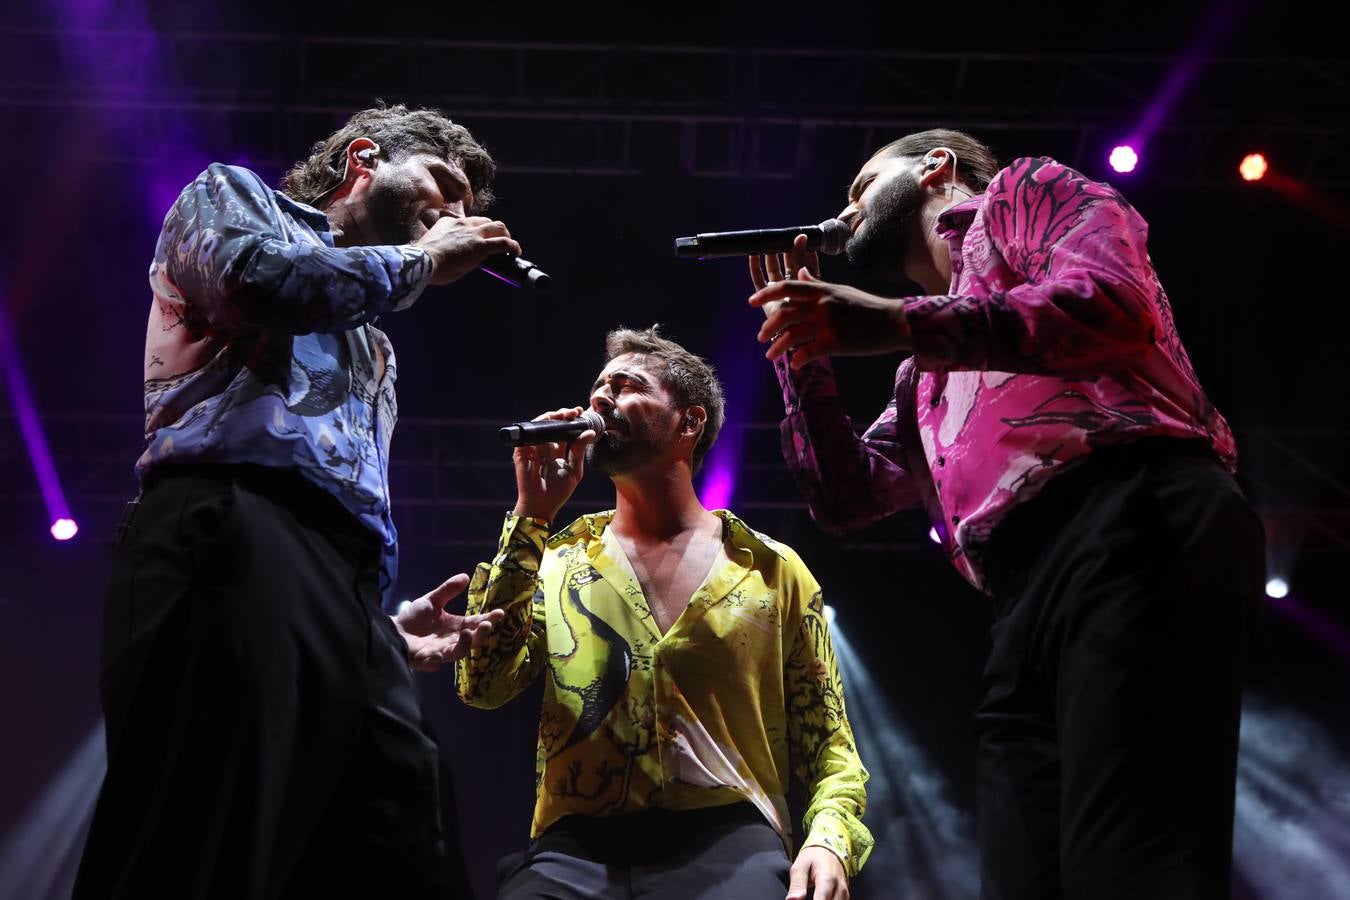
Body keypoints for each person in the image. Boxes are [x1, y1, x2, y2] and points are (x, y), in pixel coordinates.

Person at [746, 129, 1265, 899]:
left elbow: (1113, 307)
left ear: (935, 169)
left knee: (1133, 861)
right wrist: (803, 357)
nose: (846, 208)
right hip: (1023, 587)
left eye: (861, 185)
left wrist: (898, 322)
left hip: (1135, 514)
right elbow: (847, 497)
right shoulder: (918, 380)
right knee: (1025, 875)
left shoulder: (1026, 193)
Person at [74, 104, 511, 899]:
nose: (454, 218)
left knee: (409, 838)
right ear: (365, 159)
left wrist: (374, 626)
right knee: (207, 833)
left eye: (466, 214)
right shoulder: (237, 199)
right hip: (231, 529)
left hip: (344, 598)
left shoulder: (372, 340)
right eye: (444, 189)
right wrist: (420, 263)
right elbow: (258, 284)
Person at [443, 326, 872, 900]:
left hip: (728, 840)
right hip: (575, 848)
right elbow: (481, 685)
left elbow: (831, 745)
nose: (600, 399)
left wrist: (828, 838)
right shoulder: (556, 560)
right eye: (598, 386)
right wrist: (530, 516)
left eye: (627, 386)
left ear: (688, 423)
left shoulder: (773, 570)